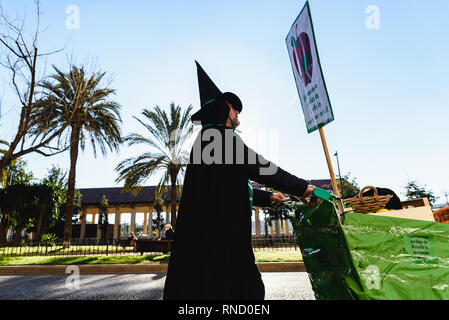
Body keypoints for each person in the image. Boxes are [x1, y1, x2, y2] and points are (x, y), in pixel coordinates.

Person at [163, 61, 316, 300]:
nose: (237, 114)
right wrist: (302, 188)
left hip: (208, 243)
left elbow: (229, 185)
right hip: (224, 242)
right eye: (233, 109)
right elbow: (261, 167)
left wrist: (269, 197)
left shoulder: (206, 141)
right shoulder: (221, 139)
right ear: (222, 110)